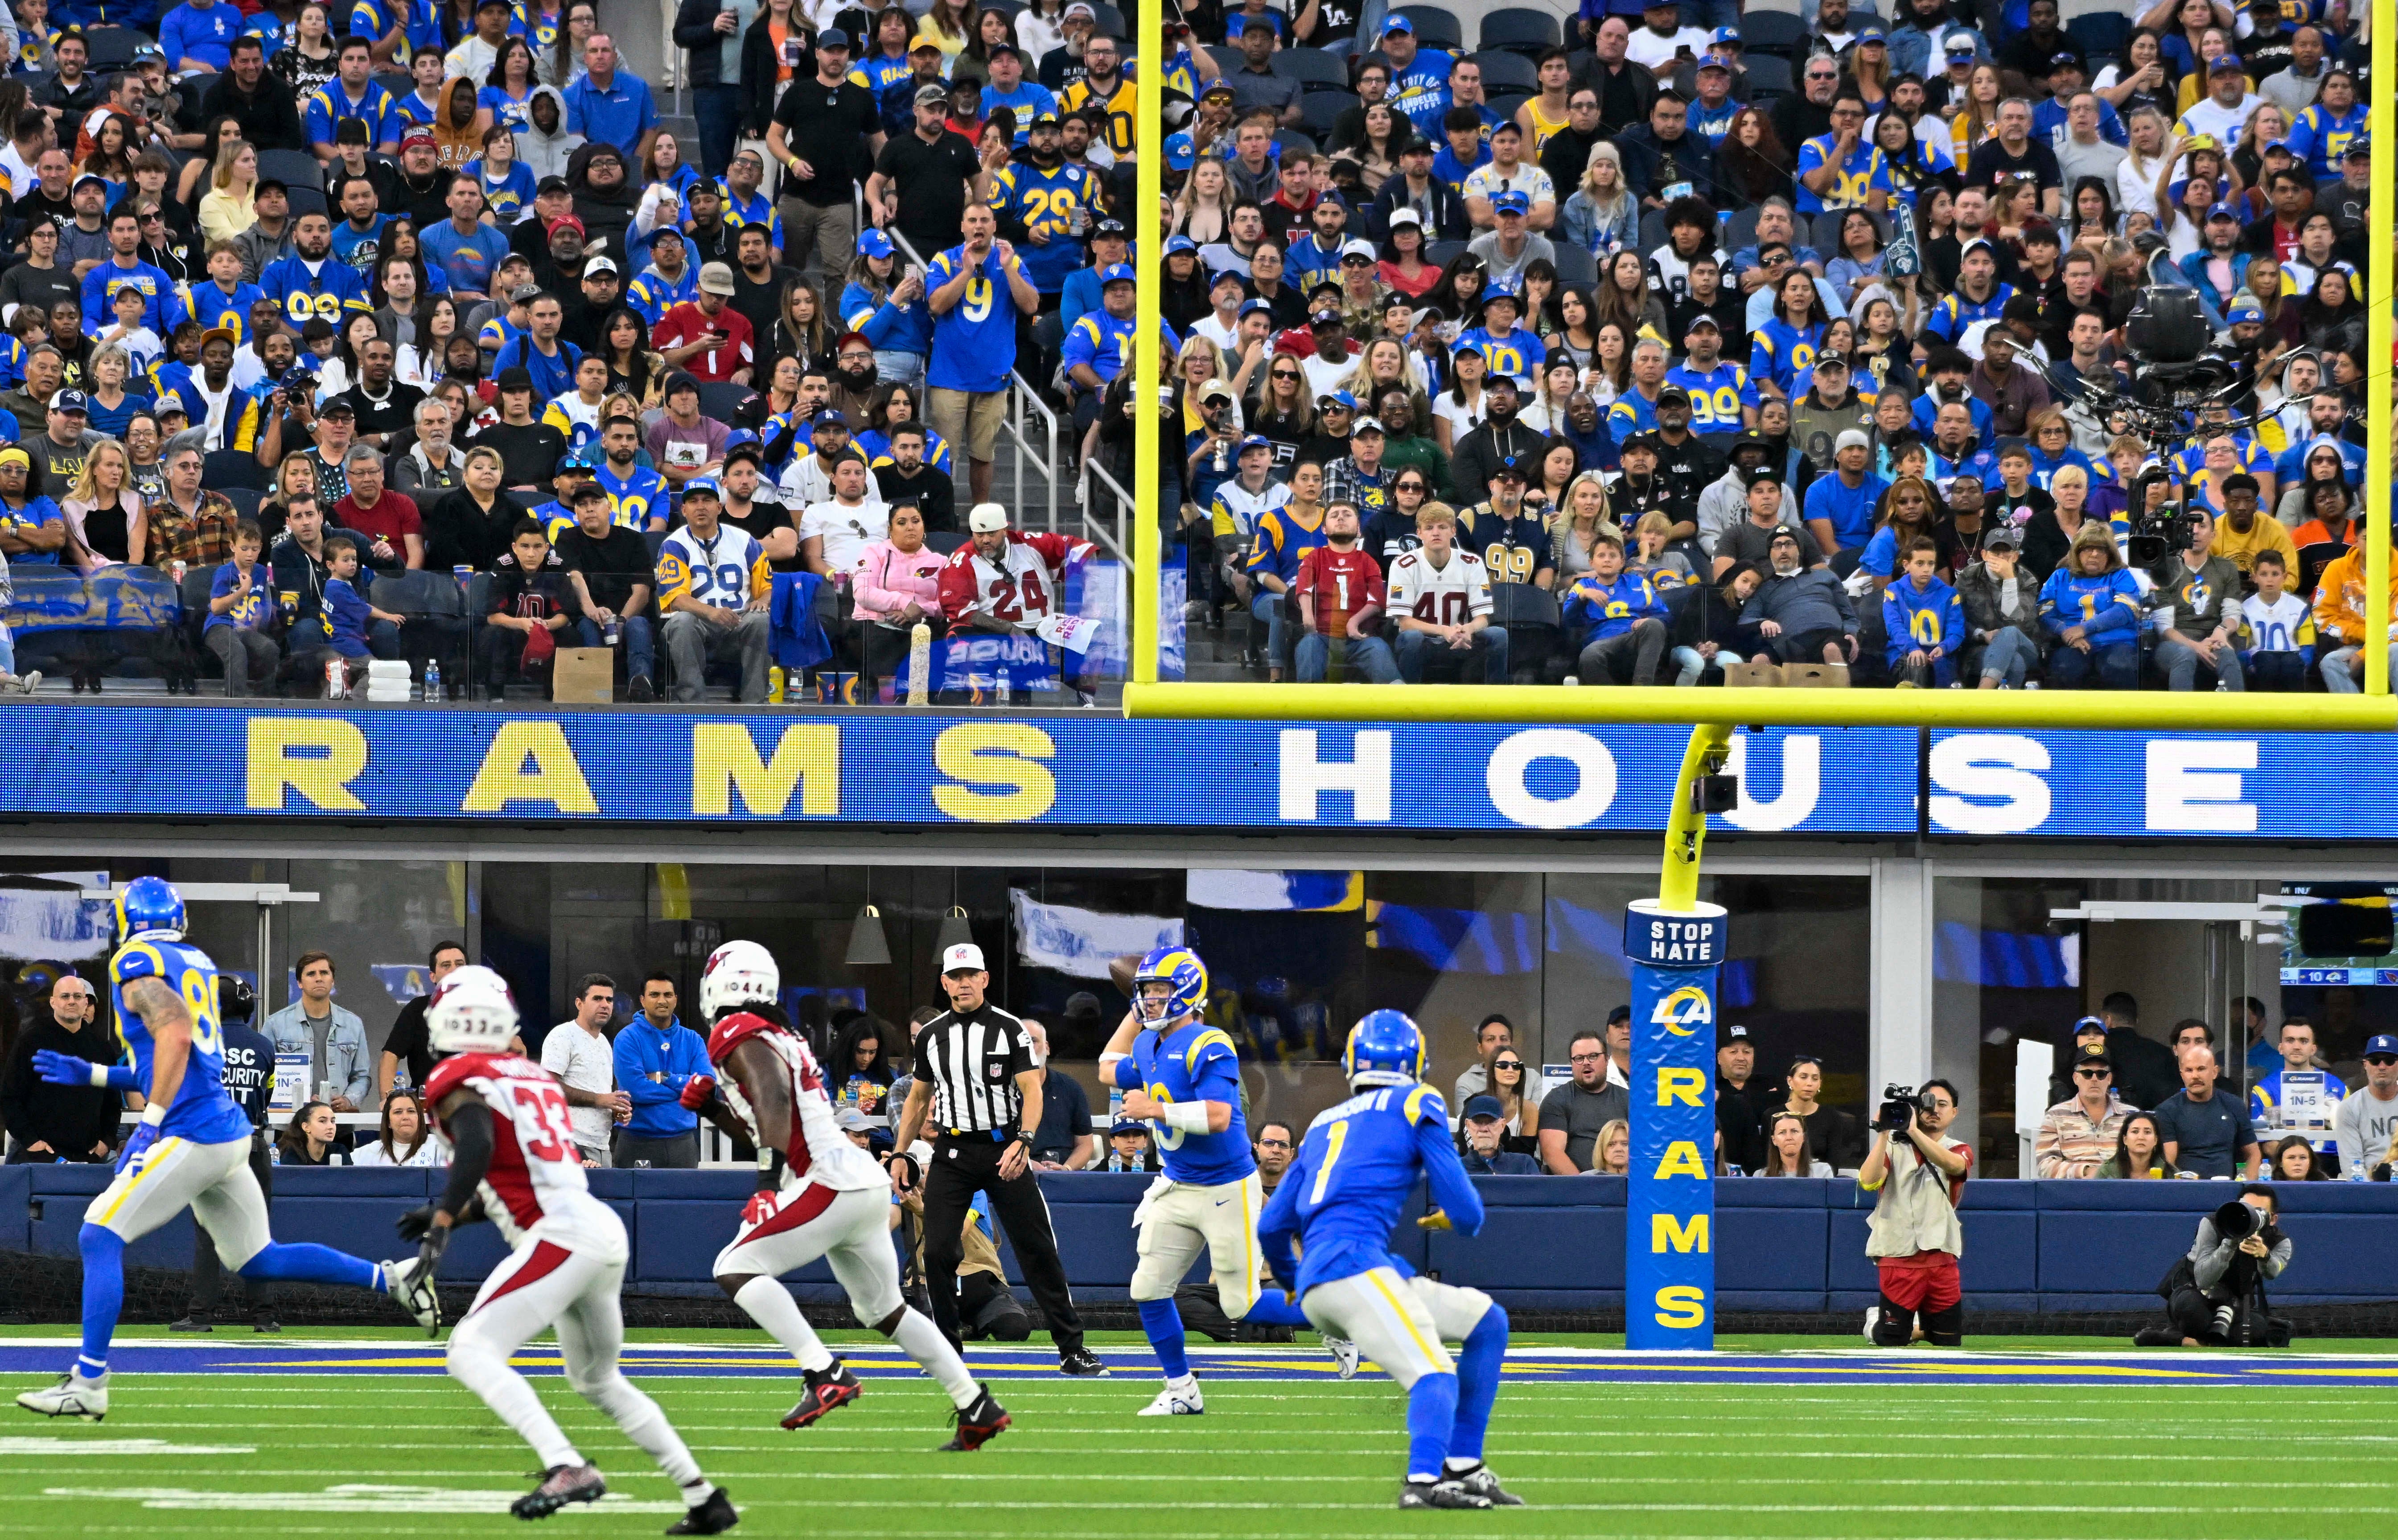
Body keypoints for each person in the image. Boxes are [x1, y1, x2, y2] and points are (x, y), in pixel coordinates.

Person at [15, 879, 438, 1424]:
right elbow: (177, 1060)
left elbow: (174, 1040)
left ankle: (89, 1381)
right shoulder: (193, 962)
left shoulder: (137, 961)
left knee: (99, 1233)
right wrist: (96, 1074)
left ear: (128, 920)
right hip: (229, 1131)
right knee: (258, 1257)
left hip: (193, 1132)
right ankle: (393, 1278)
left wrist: (149, 1122)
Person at [404, 966, 736, 1532]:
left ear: (447, 1018)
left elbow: (478, 1142)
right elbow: (519, 1172)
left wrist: (440, 1222)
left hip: (560, 1234)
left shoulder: (459, 1076)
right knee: (597, 1379)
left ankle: (566, 1464)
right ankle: (704, 1496)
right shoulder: (530, 1075)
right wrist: (455, 1213)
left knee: (470, 1349)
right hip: (597, 1228)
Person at [670, 939, 1006, 1445]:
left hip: (828, 1179)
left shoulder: (735, 1028)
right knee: (884, 1310)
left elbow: (774, 1101)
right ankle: (975, 1403)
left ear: (719, 984)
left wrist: (767, 1184)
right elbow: (772, 1124)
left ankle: (823, 1371)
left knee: (734, 1267)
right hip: (860, 1180)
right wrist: (713, 1110)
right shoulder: (781, 1033)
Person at [1257, 1010, 1520, 1510]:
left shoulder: (1322, 1122)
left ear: (1351, 1062)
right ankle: (1423, 1482)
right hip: (1356, 1270)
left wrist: (1295, 1284)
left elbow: (1271, 1226)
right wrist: (1455, 1219)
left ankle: (1464, 1463)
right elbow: (1469, 1213)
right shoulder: (1417, 1100)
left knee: (1488, 1321)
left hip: (1327, 1277)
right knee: (1434, 1375)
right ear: (1416, 1062)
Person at [1095, 946, 1318, 1413]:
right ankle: (1182, 1389)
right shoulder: (1148, 1043)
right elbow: (1106, 1066)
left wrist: (1154, 1109)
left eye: (1159, 991)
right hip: (1177, 1183)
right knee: (1148, 1289)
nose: (1150, 1000)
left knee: (1241, 1304)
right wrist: (1134, 1012)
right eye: (1145, 991)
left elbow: (1218, 1115)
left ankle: (1339, 1319)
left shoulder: (1209, 1041)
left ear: (1186, 993)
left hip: (1225, 1187)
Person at [889, 940, 1102, 1375]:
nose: (963, 983)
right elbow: (917, 1099)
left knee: (1037, 1247)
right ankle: (947, 1351)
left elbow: (1032, 1089)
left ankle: (1072, 1347)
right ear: (945, 982)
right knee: (939, 1250)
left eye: (971, 975)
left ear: (985, 978)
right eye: (955, 976)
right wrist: (899, 1152)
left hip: (1004, 1146)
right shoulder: (932, 1035)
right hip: (952, 1149)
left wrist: (1024, 1140)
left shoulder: (1009, 1029)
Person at [1857, 1077, 1969, 1347]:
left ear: (1954, 1112)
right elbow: (1868, 1182)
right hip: (1898, 1254)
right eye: (1928, 1104)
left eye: (1942, 1104)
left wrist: (1913, 1131)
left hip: (1941, 1254)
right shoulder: (1892, 1147)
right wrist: (1883, 1134)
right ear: (1917, 1108)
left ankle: (1916, 1329)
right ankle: (1876, 1324)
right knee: (1891, 1340)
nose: (1934, 1110)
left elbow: (1955, 1167)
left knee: (1948, 1342)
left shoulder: (1958, 1148)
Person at [656, 478, 772, 702]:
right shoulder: (674, 545)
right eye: (693, 501)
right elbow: (677, 598)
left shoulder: (745, 541)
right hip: (698, 625)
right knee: (682, 622)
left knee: (761, 620)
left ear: (719, 507)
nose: (701, 506)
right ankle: (693, 704)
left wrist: (764, 600)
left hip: (738, 622)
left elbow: (768, 587)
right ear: (684, 510)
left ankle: (754, 704)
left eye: (707, 500)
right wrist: (712, 613)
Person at [1, 972, 115, 1164]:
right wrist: (31, 1142)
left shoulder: (102, 1048)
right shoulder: (31, 1041)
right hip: (40, 1157)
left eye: (77, 996)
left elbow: (112, 1102)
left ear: (86, 1003)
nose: (72, 1001)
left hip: (90, 1158)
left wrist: (106, 1142)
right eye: (65, 996)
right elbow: (10, 1096)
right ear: (53, 1002)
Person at [2157, 1186, 2290, 1345]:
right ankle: (2193, 1337)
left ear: (2272, 1219)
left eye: (2258, 1212)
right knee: (2192, 1312)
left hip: (2236, 1303)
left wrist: (2264, 1255)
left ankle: (2188, 1340)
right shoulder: (2214, 1224)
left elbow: (2273, 1273)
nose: (2249, 1216)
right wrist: (2230, 1242)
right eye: (2245, 1209)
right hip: (2197, 1294)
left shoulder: (2280, 1241)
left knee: (2257, 1331)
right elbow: (2204, 1280)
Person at [609, 978, 710, 1169]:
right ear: (642, 1000)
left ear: (676, 999)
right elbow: (636, 1090)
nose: (662, 1001)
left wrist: (665, 1078)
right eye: (654, 995)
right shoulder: (627, 1038)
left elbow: (707, 1086)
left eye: (668, 995)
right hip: (637, 1142)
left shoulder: (692, 1039)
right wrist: (686, 1089)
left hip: (684, 1143)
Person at [259, 951, 369, 1111]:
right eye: (311, 974)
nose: (319, 978)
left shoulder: (353, 1024)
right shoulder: (275, 1024)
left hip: (339, 1120)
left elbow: (362, 1076)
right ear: (299, 983)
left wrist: (348, 1100)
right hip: (291, 1121)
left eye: (324, 973)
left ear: (333, 981)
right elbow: (263, 1075)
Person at [541, 973, 630, 1166]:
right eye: (597, 999)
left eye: (609, 1000)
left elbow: (603, 1094)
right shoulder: (562, 1036)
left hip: (603, 1145)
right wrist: (600, 1099)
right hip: (570, 1143)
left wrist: (616, 1110)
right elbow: (547, 1087)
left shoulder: (605, 1043)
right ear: (579, 1003)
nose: (605, 1005)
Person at [2249, 1017, 2345, 1176]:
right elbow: (2265, 1143)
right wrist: (2298, 1159)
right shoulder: (2264, 1090)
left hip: (2330, 1163)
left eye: (2304, 1041)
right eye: (2290, 1040)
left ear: (2313, 1049)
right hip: (2286, 1166)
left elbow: (2350, 1136)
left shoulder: (2338, 1087)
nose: (2297, 1047)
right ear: (2280, 1048)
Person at [378, 941, 469, 1100]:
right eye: (446, 966)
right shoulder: (417, 1009)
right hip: (427, 1105)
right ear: (433, 976)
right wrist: (388, 1101)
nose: (454, 970)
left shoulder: (489, 1009)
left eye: (459, 964)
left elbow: (513, 1050)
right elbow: (390, 1056)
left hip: (475, 1104)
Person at [2154, 1046, 2262, 1179]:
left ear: (2215, 1072)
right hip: (2185, 1186)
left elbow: (2254, 1154)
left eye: (2201, 1069)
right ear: (2182, 1075)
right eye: (2189, 1070)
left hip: (2227, 1187)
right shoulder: (2167, 1111)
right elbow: (2169, 1163)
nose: (2195, 1076)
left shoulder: (2235, 1105)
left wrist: (2245, 1186)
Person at [1537, 1029, 1630, 1173]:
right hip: (1576, 1184)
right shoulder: (1556, 1100)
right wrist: (1584, 1184)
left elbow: (1643, 1148)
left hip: (1624, 1182)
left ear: (1607, 1060)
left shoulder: (1628, 1099)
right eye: (1579, 1058)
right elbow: (1553, 1153)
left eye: (1593, 1056)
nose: (1586, 1063)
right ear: (1572, 1064)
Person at [2035, 1043, 2129, 1177]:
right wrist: (2085, 1171)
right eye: (2087, 1074)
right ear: (2076, 1078)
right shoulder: (2055, 1115)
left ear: (2109, 1079)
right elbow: (2045, 1165)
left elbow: (2145, 1160)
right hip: (2074, 1187)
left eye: (2101, 1074)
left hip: (2121, 1187)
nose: (2094, 1079)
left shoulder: (2131, 1116)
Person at [2334, 1035, 2398, 1181]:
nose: (2382, 1067)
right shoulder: (2350, 1108)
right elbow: (2352, 1166)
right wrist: (2371, 1192)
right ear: (2365, 1065)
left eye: (2389, 1061)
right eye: (2375, 1061)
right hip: (2370, 1184)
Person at [1458, 1098, 1541, 1175]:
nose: (1484, 1129)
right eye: (1478, 1122)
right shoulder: (1456, 1169)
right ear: (1468, 1126)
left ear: (1502, 1126)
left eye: (1491, 1122)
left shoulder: (1524, 1165)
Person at [2095, 1111, 2178, 1179]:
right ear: (2125, 1140)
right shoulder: (2107, 1172)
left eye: (2147, 1132)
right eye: (2135, 1132)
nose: (2141, 1137)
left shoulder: (2171, 1174)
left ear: (2156, 1140)